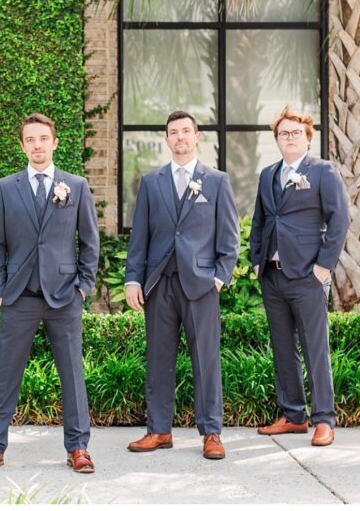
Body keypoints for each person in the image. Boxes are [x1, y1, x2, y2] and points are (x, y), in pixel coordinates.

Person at [0, 113, 99, 474]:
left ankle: (78, 447)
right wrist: (0, 289)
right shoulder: (5, 188)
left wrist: (83, 288)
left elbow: (89, 243)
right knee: (5, 375)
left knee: (72, 375)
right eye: (31, 139)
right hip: (19, 297)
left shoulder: (76, 185)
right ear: (23, 145)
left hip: (64, 297)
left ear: (55, 142)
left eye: (43, 138)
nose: (38, 145)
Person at [124, 110, 239, 460]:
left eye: (186, 131)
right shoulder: (151, 181)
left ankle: (211, 432)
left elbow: (230, 238)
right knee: (159, 359)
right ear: (167, 139)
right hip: (159, 284)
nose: (180, 137)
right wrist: (133, 278)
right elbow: (139, 236)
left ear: (197, 136)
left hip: (201, 285)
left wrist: (218, 279)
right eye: (173, 132)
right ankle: (159, 430)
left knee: (206, 360)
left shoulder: (216, 181)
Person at [249, 106, 348, 447]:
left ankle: (324, 419)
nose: (289, 138)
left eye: (295, 133)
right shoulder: (267, 174)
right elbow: (261, 220)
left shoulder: (323, 172)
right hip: (272, 276)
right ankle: (293, 416)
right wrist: (255, 260)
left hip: (307, 275)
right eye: (283, 134)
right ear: (276, 140)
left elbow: (339, 222)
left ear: (308, 138)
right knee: (282, 347)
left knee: (314, 347)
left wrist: (323, 267)